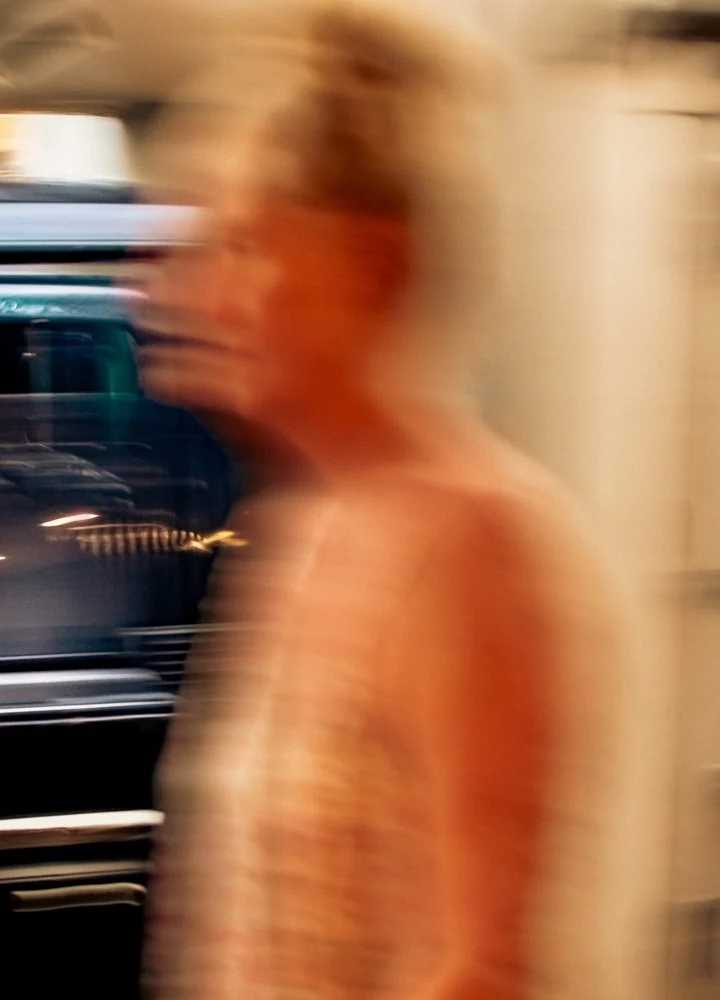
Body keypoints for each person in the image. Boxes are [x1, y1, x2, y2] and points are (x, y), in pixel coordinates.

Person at [135, 3, 618, 999]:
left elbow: (477, 967)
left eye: (247, 247)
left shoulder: (466, 539)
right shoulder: (305, 522)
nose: (187, 294)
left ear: (377, 261)